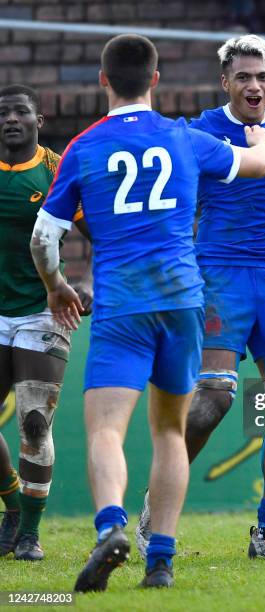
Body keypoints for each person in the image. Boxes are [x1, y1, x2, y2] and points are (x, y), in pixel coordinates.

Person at [30, 34, 265, 591]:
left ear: (103, 81)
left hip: (123, 304)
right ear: (156, 80)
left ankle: (112, 526)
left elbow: (45, 236)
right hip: (184, 301)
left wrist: (57, 287)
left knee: (106, 431)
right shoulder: (186, 138)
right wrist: (261, 138)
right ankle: (160, 559)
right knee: (169, 432)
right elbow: (260, 163)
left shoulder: (83, 147)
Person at [136, 34, 265, 560]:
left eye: (262, 76)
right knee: (215, 398)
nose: (253, 85)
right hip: (217, 274)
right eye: (242, 76)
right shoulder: (199, 132)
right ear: (225, 81)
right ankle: (154, 512)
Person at [0, 84, 91, 562]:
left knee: (34, 423)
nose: (10, 119)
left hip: (43, 311)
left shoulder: (57, 170)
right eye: (3, 113)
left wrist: (91, 281)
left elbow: (97, 230)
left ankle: (30, 536)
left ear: (40, 119)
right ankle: (13, 509)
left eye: (20, 112)